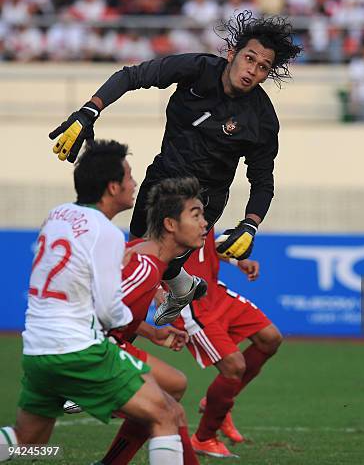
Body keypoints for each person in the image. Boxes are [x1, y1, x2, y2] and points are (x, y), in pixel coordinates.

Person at [49, 10, 302, 326]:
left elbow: (262, 180)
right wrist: (89, 112)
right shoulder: (197, 69)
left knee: (148, 262)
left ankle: (112, 334)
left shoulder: (262, 119)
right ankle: (182, 287)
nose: (253, 70)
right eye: (250, 59)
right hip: (162, 178)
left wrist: (250, 225)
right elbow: (133, 75)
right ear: (232, 52)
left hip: (204, 199)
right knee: (150, 258)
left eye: (263, 67)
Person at [0, 140, 184, 464]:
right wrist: (143, 311)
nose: (134, 183)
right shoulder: (107, 233)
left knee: (25, 442)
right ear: (113, 187)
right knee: (166, 412)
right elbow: (109, 312)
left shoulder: (57, 214)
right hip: (77, 350)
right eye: (128, 177)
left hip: (37, 350)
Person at [96, 176, 207, 465]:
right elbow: (93, 311)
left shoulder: (153, 259)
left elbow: (113, 310)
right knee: (167, 411)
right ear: (170, 224)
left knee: (174, 385)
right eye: (196, 216)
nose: (205, 224)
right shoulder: (144, 265)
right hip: (90, 351)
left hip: (110, 344)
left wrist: (150, 332)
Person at [172, 225, 282, 458]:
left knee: (270, 338)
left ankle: (218, 401)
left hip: (214, 292)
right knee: (233, 367)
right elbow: (153, 256)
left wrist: (235, 261)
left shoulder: (200, 203)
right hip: (190, 302)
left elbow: (205, 246)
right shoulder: (167, 207)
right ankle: (204, 438)